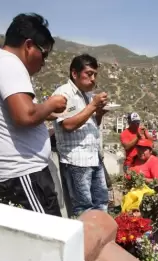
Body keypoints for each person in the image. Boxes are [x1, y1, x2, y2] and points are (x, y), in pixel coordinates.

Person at [0, 13, 67, 216]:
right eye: (44, 54)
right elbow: (25, 116)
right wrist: (51, 103)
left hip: (15, 176)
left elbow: (16, 113)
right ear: (28, 45)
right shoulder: (9, 63)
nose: (44, 62)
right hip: (24, 176)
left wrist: (45, 112)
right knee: (47, 242)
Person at [52, 54, 109, 217]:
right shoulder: (63, 93)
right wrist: (93, 106)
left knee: (101, 203)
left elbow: (92, 124)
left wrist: (99, 113)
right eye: (89, 74)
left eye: (95, 75)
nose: (93, 79)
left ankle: (101, 239)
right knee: (84, 208)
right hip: (76, 160)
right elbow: (68, 125)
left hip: (93, 157)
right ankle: (87, 241)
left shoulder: (88, 96)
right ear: (74, 73)